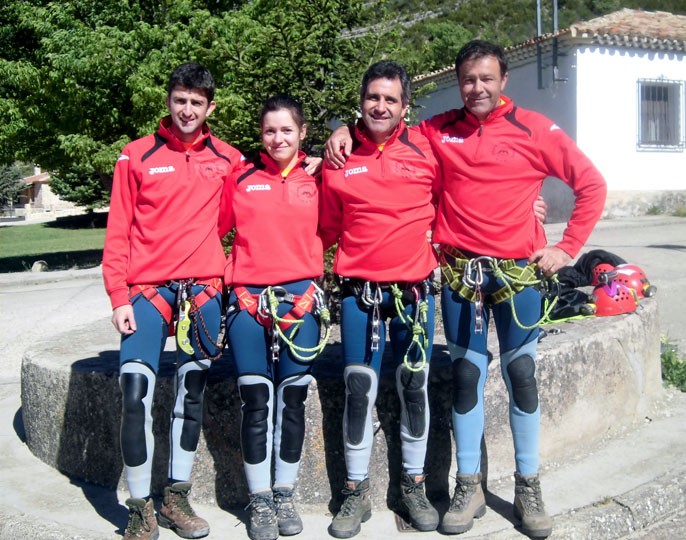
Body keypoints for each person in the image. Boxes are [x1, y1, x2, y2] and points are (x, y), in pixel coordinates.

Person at [325, 40, 607, 538]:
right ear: (459, 83)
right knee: (466, 379)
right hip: (460, 275)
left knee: (522, 374)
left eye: (486, 79)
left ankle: (528, 484)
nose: (477, 88)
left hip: (518, 273)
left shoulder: (535, 129)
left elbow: (591, 183)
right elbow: (387, 138)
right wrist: (344, 131)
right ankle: (469, 484)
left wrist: (568, 247)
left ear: (503, 81)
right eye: (468, 80)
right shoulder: (438, 131)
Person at [103, 62, 245, 540]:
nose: (187, 110)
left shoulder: (229, 158)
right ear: (168, 101)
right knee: (134, 393)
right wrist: (117, 296)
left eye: (197, 102)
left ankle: (175, 496)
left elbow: (237, 214)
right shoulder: (135, 156)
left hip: (201, 290)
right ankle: (139, 506)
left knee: (192, 393)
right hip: (145, 292)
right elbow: (118, 230)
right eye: (180, 100)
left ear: (210, 107)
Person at [319, 60, 442, 539]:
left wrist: (532, 207)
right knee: (356, 391)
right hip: (358, 293)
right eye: (373, 97)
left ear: (405, 106)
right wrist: (335, 131)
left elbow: (476, 186)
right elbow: (325, 227)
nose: (381, 106)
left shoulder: (428, 150)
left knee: (415, 387)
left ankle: (413, 485)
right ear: (361, 100)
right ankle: (354, 491)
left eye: (391, 99)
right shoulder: (339, 158)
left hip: (413, 293)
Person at [221, 95, 328, 540]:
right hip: (249, 301)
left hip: (300, 301)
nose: (278, 138)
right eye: (270, 130)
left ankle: (285, 492)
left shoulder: (321, 178)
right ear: (260, 134)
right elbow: (211, 228)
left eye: (287, 130)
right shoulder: (240, 178)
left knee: (293, 399)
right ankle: (259, 498)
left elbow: (350, 223)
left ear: (302, 133)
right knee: (256, 399)